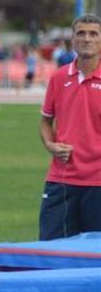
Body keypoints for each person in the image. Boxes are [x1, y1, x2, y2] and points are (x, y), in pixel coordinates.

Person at [38, 13, 101, 240]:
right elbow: (46, 120)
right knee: (49, 252)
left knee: (95, 259)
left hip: (98, 182)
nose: (87, 39)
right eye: (81, 33)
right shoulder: (58, 78)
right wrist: (49, 144)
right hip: (61, 180)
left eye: (93, 34)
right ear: (73, 40)